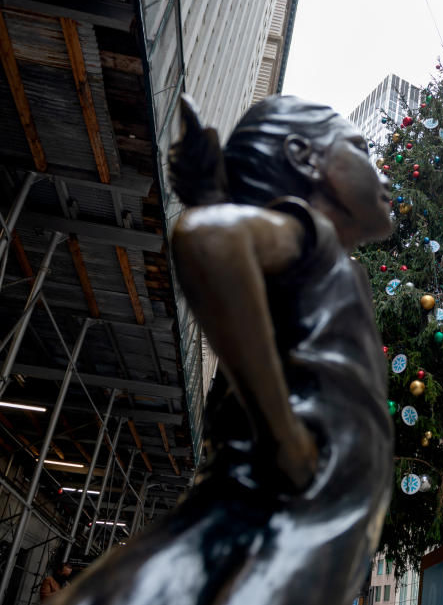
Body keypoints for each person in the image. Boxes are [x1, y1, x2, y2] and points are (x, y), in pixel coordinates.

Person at [52, 95, 395, 605]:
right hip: (275, 517)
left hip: (290, 519)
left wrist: (214, 198)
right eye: (361, 148)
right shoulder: (314, 238)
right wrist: (284, 437)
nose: (382, 171)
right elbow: (210, 240)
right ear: (305, 157)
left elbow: (242, 260)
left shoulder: (323, 264)